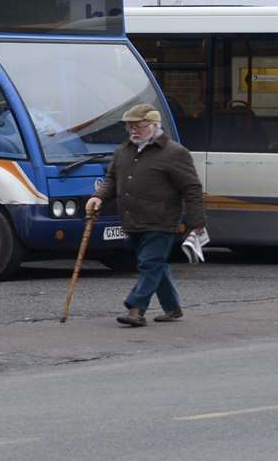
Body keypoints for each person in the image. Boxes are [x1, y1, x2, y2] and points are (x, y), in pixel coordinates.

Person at [85, 103, 206, 327]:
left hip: (161, 221)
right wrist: (98, 197)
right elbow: (111, 180)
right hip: (132, 220)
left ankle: (135, 309)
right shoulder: (124, 151)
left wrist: (196, 223)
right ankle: (172, 307)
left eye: (138, 125)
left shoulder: (174, 152)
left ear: (154, 125)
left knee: (149, 264)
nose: (133, 130)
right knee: (155, 265)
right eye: (129, 126)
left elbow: (192, 188)